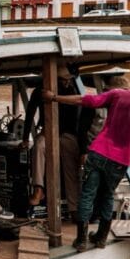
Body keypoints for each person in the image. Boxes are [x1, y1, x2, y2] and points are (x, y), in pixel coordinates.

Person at [45, 70, 130, 251]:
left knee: (87, 194)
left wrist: (54, 98)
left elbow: (86, 100)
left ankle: (81, 240)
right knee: (107, 196)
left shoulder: (117, 95)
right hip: (120, 161)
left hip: (98, 152)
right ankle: (101, 238)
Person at [21, 65, 82, 213]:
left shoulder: (73, 91)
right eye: (63, 80)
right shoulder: (40, 91)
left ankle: (74, 206)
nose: (67, 82)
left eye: (69, 80)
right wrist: (25, 138)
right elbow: (30, 113)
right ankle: (38, 189)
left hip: (68, 133)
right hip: (48, 131)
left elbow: (81, 117)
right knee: (38, 146)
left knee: (70, 162)